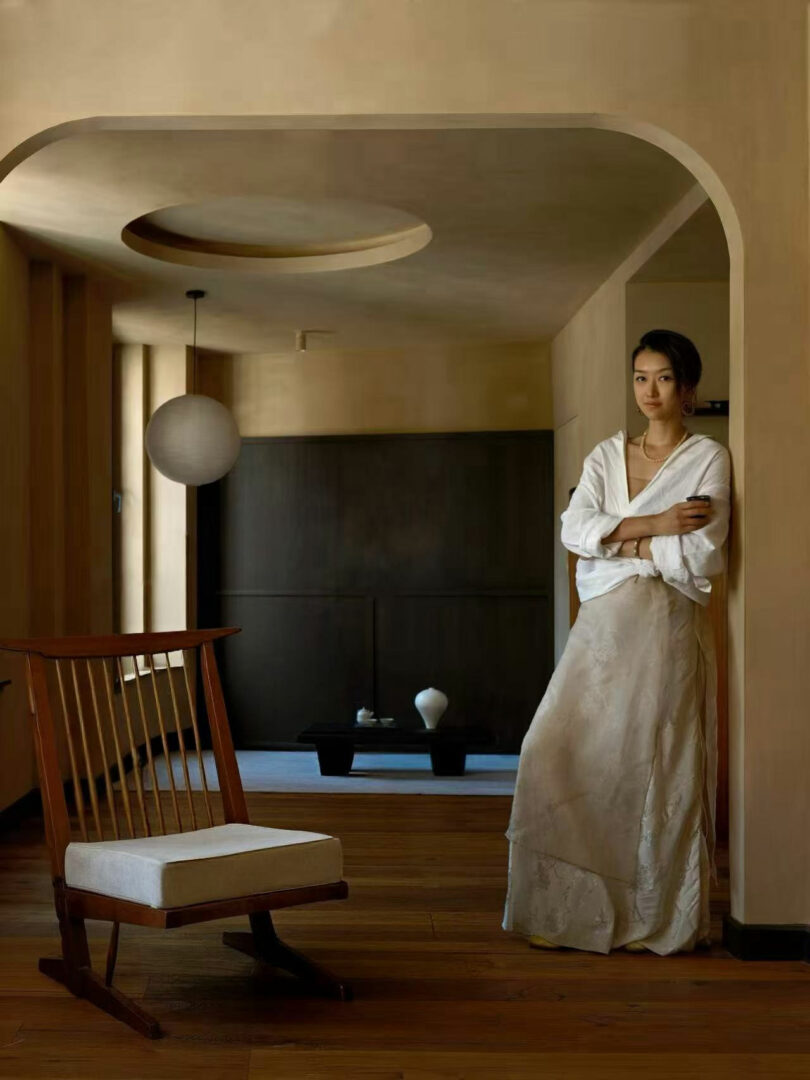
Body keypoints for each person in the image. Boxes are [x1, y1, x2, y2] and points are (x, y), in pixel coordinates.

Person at [503, 329, 731, 956]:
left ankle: (650, 918)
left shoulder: (708, 458)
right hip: (600, 628)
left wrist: (619, 541)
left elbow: (703, 554)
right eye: (640, 377)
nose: (649, 391)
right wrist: (656, 525)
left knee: (651, 767)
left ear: (688, 388)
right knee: (551, 748)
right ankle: (568, 911)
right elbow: (574, 529)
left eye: (663, 378)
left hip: (665, 631)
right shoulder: (606, 455)